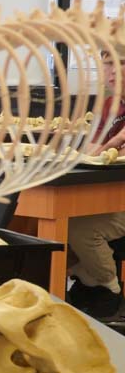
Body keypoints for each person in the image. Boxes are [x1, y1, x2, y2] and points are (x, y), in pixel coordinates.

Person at [68, 49, 125, 318]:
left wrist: (111, 145)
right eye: (107, 66)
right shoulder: (108, 106)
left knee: (80, 228)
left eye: (121, 64)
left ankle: (111, 288)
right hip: (105, 193)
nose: (112, 72)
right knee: (59, 219)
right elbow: (94, 147)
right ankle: (88, 277)